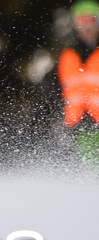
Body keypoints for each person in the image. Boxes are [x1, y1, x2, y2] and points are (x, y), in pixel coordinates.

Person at [58, 0, 99, 165]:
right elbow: (52, 85)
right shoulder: (68, 53)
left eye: (91, 21)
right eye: (82, 21)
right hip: (78, 123)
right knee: (88, 168)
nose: (87, 27)